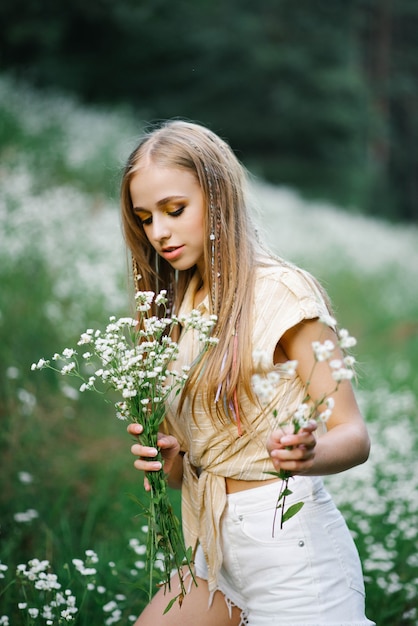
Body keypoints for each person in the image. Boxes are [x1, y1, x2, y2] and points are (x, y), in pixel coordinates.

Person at [120, 120, 374, 626]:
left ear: (219, 198)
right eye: (145, 219)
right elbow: (181, 473)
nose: (160, 232)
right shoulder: (174, 308)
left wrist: (309, 453)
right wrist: (167, 459)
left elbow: (354, 435)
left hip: (292, 554)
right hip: (214, 549)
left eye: (174, 210)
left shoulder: (282, 293)